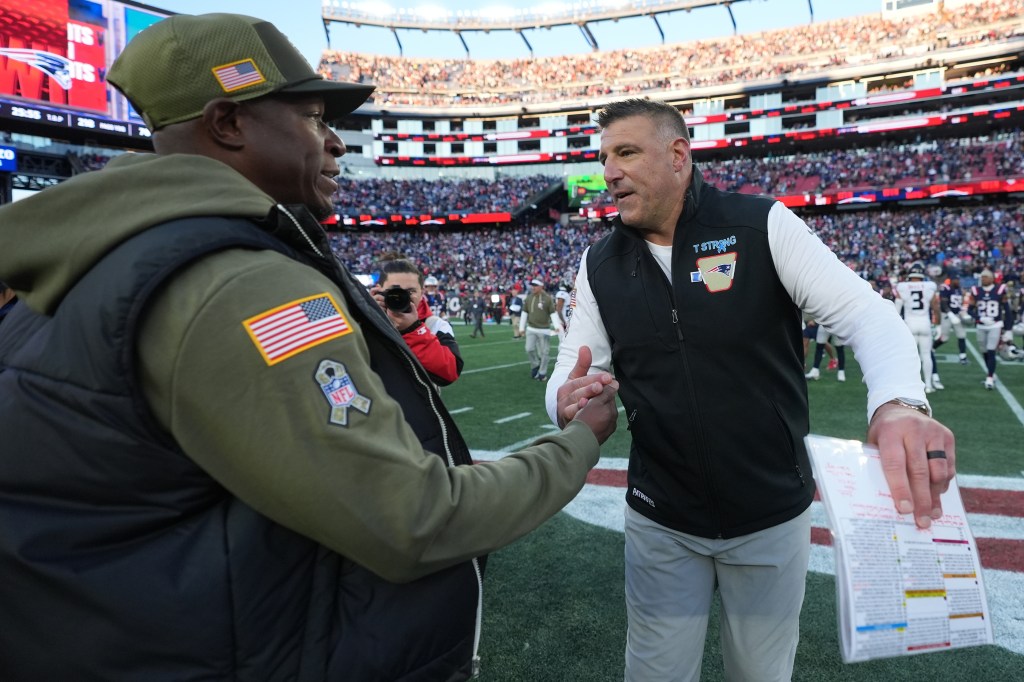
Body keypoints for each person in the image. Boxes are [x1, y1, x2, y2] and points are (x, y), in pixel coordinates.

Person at [0, 14, 620, 680]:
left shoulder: (95, 257)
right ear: (228, 123)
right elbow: (414, 519)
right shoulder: (243, 282)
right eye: (312, 118)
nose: (331, 142)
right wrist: (578, 441)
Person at [545, 98, 955, 682]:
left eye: (627, 152)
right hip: (661, 517)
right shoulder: (600, 261)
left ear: (679, 155)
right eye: (605, 156)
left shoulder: (762, 224)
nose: (609, 171)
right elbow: (570, 366)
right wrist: (563, 398)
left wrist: (898, 404)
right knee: (654, 674)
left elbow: (870, 316)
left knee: (760, 675)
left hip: (770, 515)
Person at [371, 255, 463, 386]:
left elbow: (450, 372)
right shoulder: (366, 320)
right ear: (379, 290)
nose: (401, 296)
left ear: (422, 292)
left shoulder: (435, 325)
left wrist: (413, 330)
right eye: (394, 290)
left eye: (410, 291)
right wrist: (366, 313)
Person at [894, 261, 942, 393]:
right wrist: (938, 325)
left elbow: (896, 310)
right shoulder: (929, 286)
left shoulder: (903, 286)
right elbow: (936, 308)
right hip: (925, 323)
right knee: (926, 355)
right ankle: (928, 385)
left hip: (909, 324)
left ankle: (911, 385)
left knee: (910, 356)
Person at [965, 268, 1013, 389]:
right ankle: (991, 373)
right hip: (981, 325)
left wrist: (1008, 329)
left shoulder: (1000, 290)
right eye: (982, 277)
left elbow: (1007, 310)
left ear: (992, 278)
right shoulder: (976, 291)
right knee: (984, 351)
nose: (983, 279)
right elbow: (969, 310)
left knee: (991, 350)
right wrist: (979, 318)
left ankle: (989, 377)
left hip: (995, 325)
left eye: (985, 277)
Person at [520, 277, 563, 381]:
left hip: (544, 330)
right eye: (532, 285)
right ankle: (535, 365)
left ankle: (542, 372)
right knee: (529, 349)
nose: (533, 287)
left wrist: (557, 326)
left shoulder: (547, 298)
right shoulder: (529, 298)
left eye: (535, 285)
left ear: (541, 286)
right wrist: (521, 328)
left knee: (544, 352)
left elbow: (552, 313)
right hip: (531, 328)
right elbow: (524, 313)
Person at [937, 275, 969, 366]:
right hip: (947, 315)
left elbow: (960, 304)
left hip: (957, 315)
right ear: (952, 279)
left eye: (959, 279)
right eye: (956, 279)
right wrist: (951, 315)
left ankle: (963, 356)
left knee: (962, 335)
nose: (958, 281)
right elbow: (943, 303)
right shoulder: (945, 288)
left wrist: (963, 313)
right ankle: (932, 348)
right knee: (944, 338)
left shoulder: (959, 289)